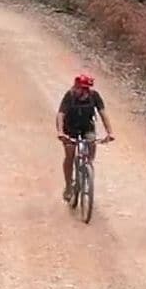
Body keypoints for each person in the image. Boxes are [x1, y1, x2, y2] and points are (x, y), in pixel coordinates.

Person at [56, 73, 114, 201]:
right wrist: (60, 132)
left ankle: (87, 166)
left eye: (87, 88)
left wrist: (110, 132)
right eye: (82, 88)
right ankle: (68, 186)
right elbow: (60, 114)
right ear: (76, 87)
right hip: (70, 128)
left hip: (87, 127)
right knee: (69, 154)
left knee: (92, 143)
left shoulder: (94, 96)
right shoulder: (69, 96)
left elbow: (103, 114)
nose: (85, 91)